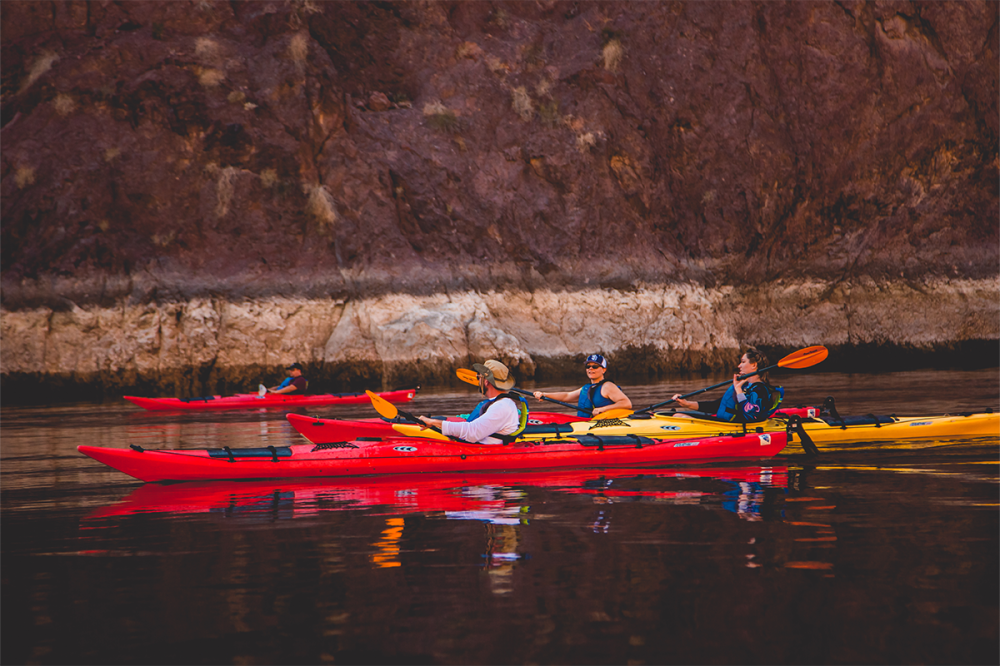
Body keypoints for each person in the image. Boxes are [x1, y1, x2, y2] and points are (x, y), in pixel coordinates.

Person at [418, 359, 527, 444]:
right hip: (478, 446)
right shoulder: (502, 403)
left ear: (485, 382)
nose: (477, 380)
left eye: (479, 377)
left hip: (484, 452)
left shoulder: (502, 407)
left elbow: (472, 432)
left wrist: (434, 422)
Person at [671, 347, 782, 422]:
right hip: (722, 423)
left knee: (679, 417)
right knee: (676, 415)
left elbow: (751, 415)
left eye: (743, 362)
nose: (739, 366)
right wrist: (687, 404)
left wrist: (738, 390)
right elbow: (716, 406)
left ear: (754, 365)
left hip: (732, 427)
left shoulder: (760, 390)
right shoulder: (744, 386)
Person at [532, 354, 632, 418]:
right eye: (588, 366)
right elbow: (566, 396)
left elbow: (627, 403)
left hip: (601, 426)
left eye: (595, 366)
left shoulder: (608, 386)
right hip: (584, 424)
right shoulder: (586, 388)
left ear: (604, 370)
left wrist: (602, 409)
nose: (590, 369)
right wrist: (544, 395)